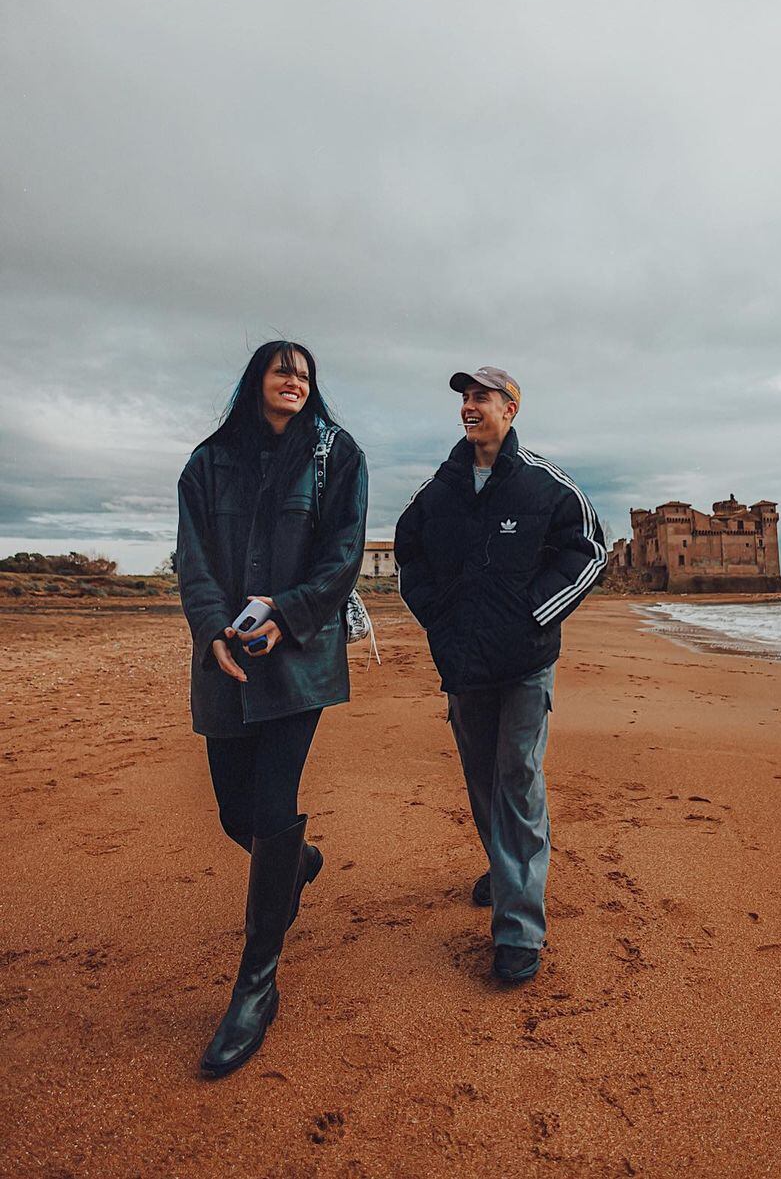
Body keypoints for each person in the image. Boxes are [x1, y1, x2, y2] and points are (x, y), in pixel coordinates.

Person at [177, 340, 367, 1077]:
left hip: (299, 660)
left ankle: (256, 984)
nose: (295, 379)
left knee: (272, 802)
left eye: (306, 373)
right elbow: (191, 558)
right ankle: (301, 861)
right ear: (256, 378)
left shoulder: (335, 454)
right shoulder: (208, 461)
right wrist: (211, 631)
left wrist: (285, 611)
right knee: (235, 814)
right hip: (224, 658)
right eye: (282, 368)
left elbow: (343, 554)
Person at [394, 367, 604, 983]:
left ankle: (518, 930)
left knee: (517, 779)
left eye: (482, 396)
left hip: (524, 663)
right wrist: (436, 616)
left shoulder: (544, 484)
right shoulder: (440, 489)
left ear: (511, 409)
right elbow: (410, 555)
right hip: (463, 663)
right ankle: (505, 864)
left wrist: (534, 615)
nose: (469, 405)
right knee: (482, 779)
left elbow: (588, 549)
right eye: (464, 397)